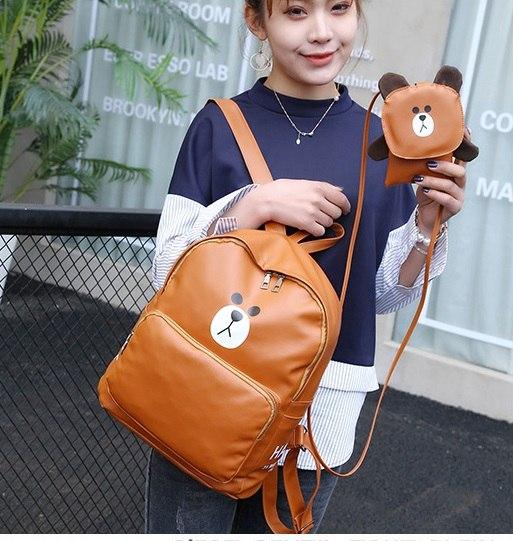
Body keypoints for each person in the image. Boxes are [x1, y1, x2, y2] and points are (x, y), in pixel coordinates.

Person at [145, 0, 469, 533]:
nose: (322, 32)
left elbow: (380, 294)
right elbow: (167, 269)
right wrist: (252, 204)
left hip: (319, 410)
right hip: (210, 390)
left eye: (339, 8)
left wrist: (426, 228)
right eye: (296, 11)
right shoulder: (219, 126)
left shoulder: (383, 140)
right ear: (257, 21)